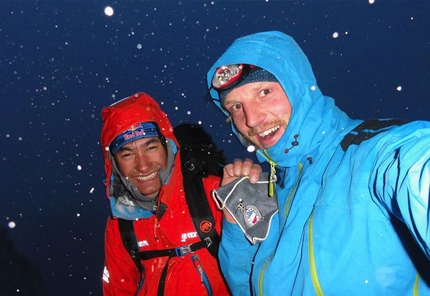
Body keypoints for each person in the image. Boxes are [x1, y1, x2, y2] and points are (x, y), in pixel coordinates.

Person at [206, 31, 430, 295]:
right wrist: (237, 223)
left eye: (264, 92)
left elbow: (414, 165)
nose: (252, 119)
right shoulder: (273, 190)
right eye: (235, 107)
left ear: (297, 87)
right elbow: (247, 289)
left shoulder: (369, 153)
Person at [99, 92, 260, 295]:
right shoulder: (121, 223)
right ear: (114, 164)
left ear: (167, 146)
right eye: (128, 154)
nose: (143, 165)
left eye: (150, 147)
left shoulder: (213, 193)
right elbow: (117, 290)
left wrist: (254, 192)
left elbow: (262, 269)